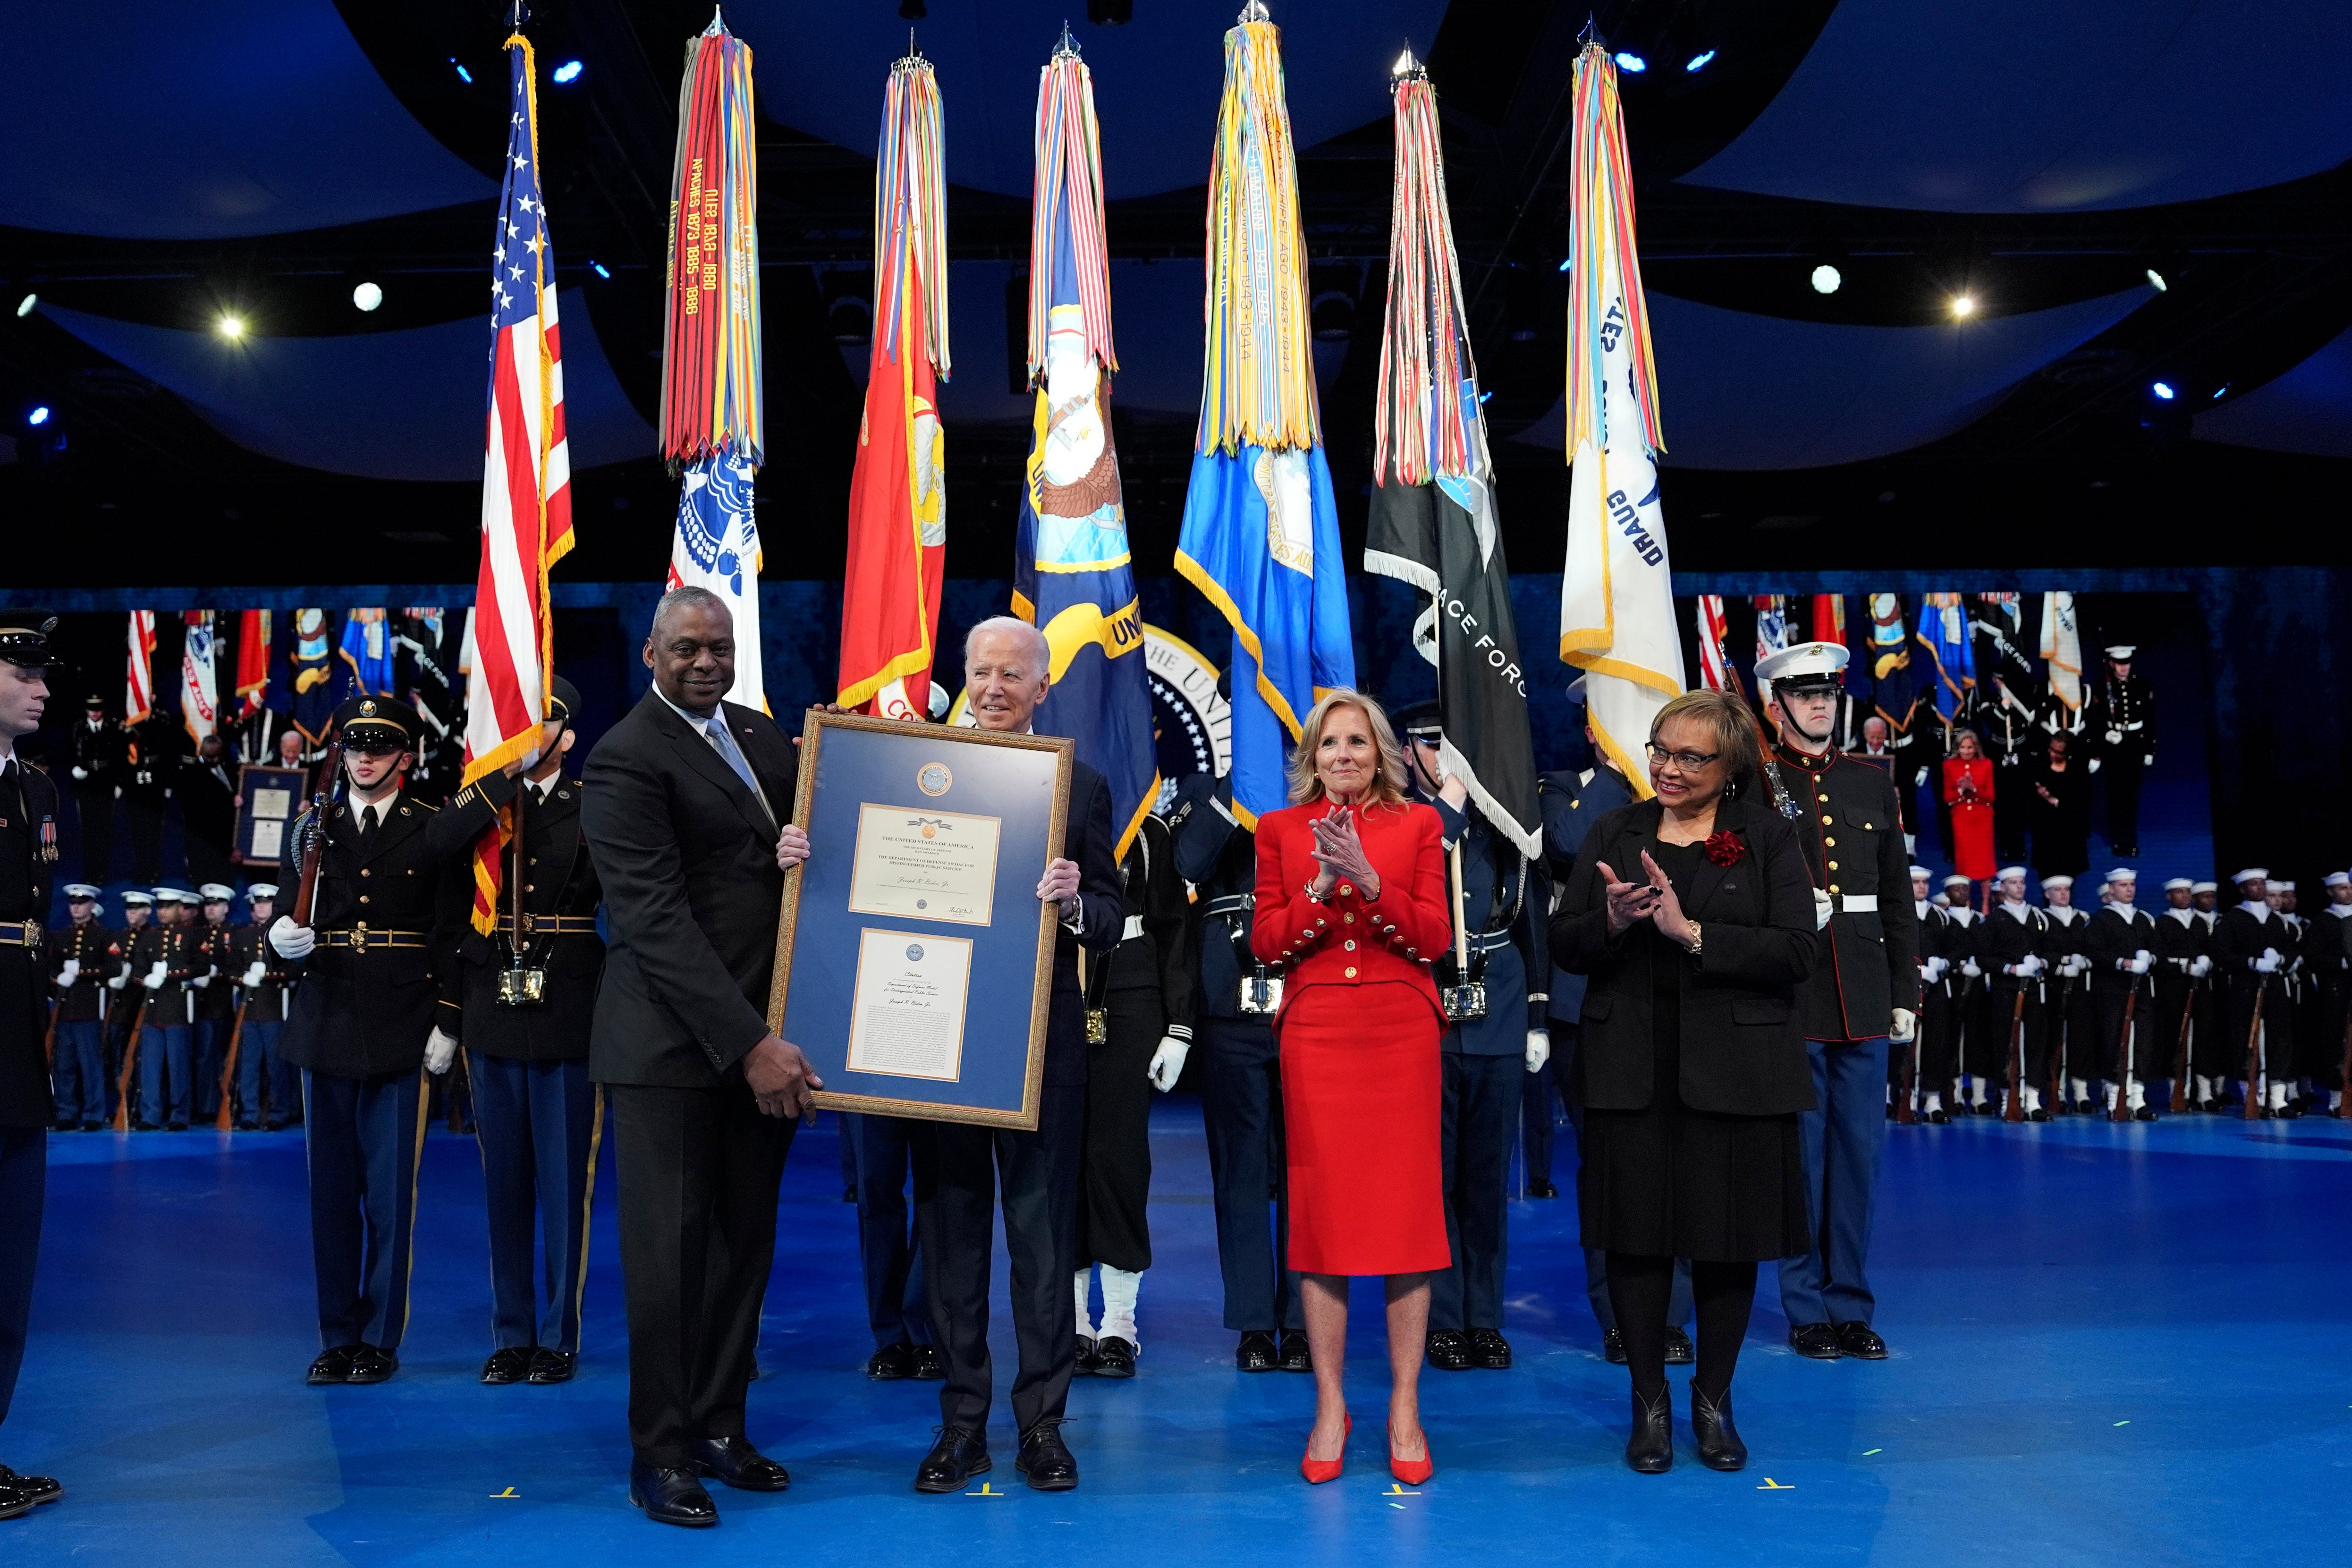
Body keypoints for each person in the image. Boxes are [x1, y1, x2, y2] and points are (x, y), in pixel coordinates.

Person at [578, 587, 818, 1526]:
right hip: (673, 1053)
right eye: (687, 649)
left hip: (758, 1046)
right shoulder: (625, 757)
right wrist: (754, 1042)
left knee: (739, 1252)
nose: (706, 663)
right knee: (669, 1261)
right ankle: (662, 1452)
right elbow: (654, 923)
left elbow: (789, 863)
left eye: (718, 648)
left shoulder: (761, 739)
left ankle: (721, 1425)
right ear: (652, 654)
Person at [1553, 688, 1818, 1474]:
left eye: (1688, 755)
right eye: (1660, 749)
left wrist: (1691, 933)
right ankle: (1648, 1404)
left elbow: (1797, 950)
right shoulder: (1614, 829)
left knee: (1724, 1244)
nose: (1666, 766)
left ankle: (1712, 1400)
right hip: (1629, 1070)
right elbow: (1565, 941)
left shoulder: (1765, 836)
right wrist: (1613, 921)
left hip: (1738, 1076)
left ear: (1729, 764)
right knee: (1635, 1241)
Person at [902, 619, 1120, 1496]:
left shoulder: (1081, 787)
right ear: (964, 678)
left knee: (1041, 1242)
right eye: (980, 672)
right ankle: (961, 1428)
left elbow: (1109, 917)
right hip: (936, 1036)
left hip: (1041, 1044)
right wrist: (809, 859)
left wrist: (1073, 903)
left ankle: (1042, 1427)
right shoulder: (916, 773)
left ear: (1041, 688)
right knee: (952, 1241)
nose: (993, 687)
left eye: (1011, 675)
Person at [1251, 689, 1451, 1486]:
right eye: (1329, 743)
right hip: (1316, 1035)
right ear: (1311, 756)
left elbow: (1434, 937)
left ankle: (1404, 1406)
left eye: (1357, 742)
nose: (1342, 755)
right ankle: (1330, 1406)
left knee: (1405, 1223)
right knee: (1324, 1225)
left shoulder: (1419, 825)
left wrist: (1370, 882)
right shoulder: (1278, 831)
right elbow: (1268, 943)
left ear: (1380, 753)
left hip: (1399, 1033)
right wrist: (1313, 891)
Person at [269, 696, 469, 1386]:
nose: (364, 757)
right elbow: (282, 912)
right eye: (355, 746)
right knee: (330, 1194)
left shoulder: (430, 828)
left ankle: (379, 1338)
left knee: (388, 1195)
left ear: (405, 757)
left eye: (380, 747)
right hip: (324, 1017)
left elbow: (452, 931)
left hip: (400, 1022)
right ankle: (337, 1333)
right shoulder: (311, 827)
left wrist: (450, 1018)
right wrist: (277, 942)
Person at [425, 676, 606, 1387]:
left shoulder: (592, 804)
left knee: (564, 1182)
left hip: (568, 1003)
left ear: (566, 736)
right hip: (492, 1006)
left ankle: (557, 1334)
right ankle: (512, 1331)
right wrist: (499, 780)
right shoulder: (487, 803)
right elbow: (439, 845)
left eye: (542, 731)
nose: (530, 743)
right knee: (503, 1180)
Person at [1752, 644, 1917, 1363]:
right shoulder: (1755, 787)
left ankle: (1849, 1302)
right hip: (1795, 996)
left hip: (1864, 995)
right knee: (1801, 1162)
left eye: (1827, 692)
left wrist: (1903, 994)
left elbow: (1896, 899)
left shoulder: (1868, 784)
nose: (1819, 704)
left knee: (1857, 1163)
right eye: (1803, 693)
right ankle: (1805, 1307)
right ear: (1775, 705)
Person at [1393, 700, 1548, 1376]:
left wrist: (1537, 1014)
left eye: (1452, 746)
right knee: (1432, 1176)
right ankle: (1443, 1317)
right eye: (1430, 745)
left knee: (1486, 1177)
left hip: (1499, 1003)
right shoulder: (1403, 821)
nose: (1443, 758)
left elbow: (1532, 918)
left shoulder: (1502, 820)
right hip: (1426, 1006)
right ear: (1407, 753)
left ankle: (1483, 1316)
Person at [1539, 713, 1693, 1365]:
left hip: (1685, 1002)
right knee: (1611, 1168)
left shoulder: (1696, 798)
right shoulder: (1561, 788)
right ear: (1593, 722)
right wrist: (1615, 772)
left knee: (1685, 1164)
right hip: (1593, 1006)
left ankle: (1674, 1314)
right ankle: (1618, 1312)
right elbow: (1571, 843)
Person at [1169, 769, 1310, 1373]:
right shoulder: (1208, 789)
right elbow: (1188, 863)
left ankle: (1305, 1322)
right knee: (1240, 1172)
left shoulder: (1323, 784)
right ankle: (1255, 1323)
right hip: (1231, 999)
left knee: (1310, 1173)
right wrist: (1240, 790)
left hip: (1311, 994)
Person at [1073, 802, 1194, 1379]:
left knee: (1119, 1159)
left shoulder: (1148, 831)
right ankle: (1071, 1320)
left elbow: (1173, 926)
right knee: (1061, 1160)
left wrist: (1178, 1027)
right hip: (1055, 992)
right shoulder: (1040, 807)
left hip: (1131, 994)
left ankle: (1119, 1322)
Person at [0, 613, 64, 1520]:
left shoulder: (40, 789)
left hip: (18, 1035)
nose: (45, 688)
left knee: (13, 1256)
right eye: (25, 672)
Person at [2213, 869, 2297, 1117]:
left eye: (2262, 883)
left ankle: (2278, 1099)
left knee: (2280, 1039)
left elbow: (2292, 948)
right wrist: (2251, 962)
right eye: (2253, 884)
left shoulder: (2276, 919)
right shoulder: (2232, 919)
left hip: (2276, 988)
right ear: (2243, 890)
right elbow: (2221, 954)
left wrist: (2281, 959)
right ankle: (2254, 1095)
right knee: (2247, 1041)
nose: (2259, 888)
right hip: (2245, 988)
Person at [127, 890, 208, 1131]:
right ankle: (150, 1114)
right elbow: (137, 970)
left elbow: (203, 966)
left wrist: (171, 972)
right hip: (153, 1012)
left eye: (168, 906)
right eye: (160, 907)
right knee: (150, 1068)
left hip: (178, 1009)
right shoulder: (149, 938)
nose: (163, 911)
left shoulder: (193, 935)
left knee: (178, 1066)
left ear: (180, 909)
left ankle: (179, 1115)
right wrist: (146, 979)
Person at [2083, 869, 2159, 1118]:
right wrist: (2123, 963)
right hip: (2111, 990)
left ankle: (2137, 1098)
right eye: (2123, 885)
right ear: (2111, 890)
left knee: (2143, 1042)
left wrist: (2151, 958)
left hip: (2141, 990)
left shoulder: (2142, 919)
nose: (2129, 889)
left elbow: (2156, 949)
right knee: (2114, 1041)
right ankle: (2116, 1098)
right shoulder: (2101, 920)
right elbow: (2094, 952)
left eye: (2132, 885)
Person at [1981, 867, 2055, 1119]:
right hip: (2006, 990)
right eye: (2013, 883)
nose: (2019, 887)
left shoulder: (2038, 917)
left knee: (2036, 1042)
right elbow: (1983, 957)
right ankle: (2007, 1096)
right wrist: (2010, 969)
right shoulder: (1994, 920)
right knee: (2006, 1042)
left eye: (2022, 883)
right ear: (2003, 887)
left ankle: (2033, 1099)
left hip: (2035, 989)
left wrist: (2043, 962)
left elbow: (2053, 950)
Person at [46, 886, 114, 1133]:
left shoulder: (103, 936)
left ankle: (93, 1114)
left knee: (90, 1066)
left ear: (92, 906)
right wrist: (57, 979)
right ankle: (66, 1113)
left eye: (82, 903)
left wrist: (82, 974)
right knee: (64, 1066)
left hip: (88, 1009)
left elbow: (114, 968)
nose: (76, 907)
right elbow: (51, 969)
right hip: (64, 1010)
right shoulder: (61, 937)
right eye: (73, 903)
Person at [230, 883, 297, 1131]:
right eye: (258, 902)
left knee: (276, 1066)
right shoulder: (243, 935)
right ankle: (249, 1113)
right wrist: (243, 977)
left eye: (267, 902)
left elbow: (296, 968)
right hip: (249, 1010)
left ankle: (279, 1112)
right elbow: (230, 966)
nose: (261, 906)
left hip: (274, 1009)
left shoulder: (284, 933)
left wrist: (270, 973)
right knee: (248, 1066)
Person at [2087, 646, 2154, 858]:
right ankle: (2119, 839)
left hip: (2135, 744)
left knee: (2131, 795)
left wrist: (2149, 748)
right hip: (2114, 747)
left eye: (2127, 664)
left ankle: (2130, 838)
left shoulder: (2142, 685)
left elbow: (2150, 718)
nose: (2124, 668)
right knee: (2115, 795)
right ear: (2112, 664)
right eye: (2120, 664)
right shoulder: (2102, 686)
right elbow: (2095, 718)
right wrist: (2105, 736)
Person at [2039, 875, 2096, 1111]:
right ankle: (2056, 1091)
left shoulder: (2083, 919)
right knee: (2053, 1039)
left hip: (2080, 988)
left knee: (2081, 1039)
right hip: (2053, 987)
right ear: (2048, 894)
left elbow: (2095, 948)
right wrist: (2060, 964)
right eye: (2058, 890)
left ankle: (2081, 1093)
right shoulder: (2042, 919)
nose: (2063, 894)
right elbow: (2038, 951)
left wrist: (2084, 961)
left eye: (2066, 890)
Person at [1909, 867, 1960, 1122]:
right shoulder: (1898, 913)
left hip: (1937, 988)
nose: (1922, 887)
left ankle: (1932, 1100)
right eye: (1916, 882)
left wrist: (1942, 964)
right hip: (1907, 986)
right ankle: (1899, 1095)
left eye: (1925, 883)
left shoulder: (1940, 916)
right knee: (1903, 1042)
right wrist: (1915, 969)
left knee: (1936, 1042)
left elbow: (1957, 948)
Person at [103, 890, 154, 1124]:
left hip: (141, 1007)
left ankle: (137, 1108)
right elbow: (110, 962)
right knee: (116, 1060)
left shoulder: (151, 937)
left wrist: (133, 976)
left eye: (137, 909)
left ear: (147, 911)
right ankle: (117, 1107)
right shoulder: (120, 937)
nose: (132, 913)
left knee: (140, 1061)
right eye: (129, 908)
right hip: (119, 1010)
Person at [191, 883, 238, 1124]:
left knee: (220, 1057)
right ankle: (204, 1107)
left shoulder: (233, 933)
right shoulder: (198, 933)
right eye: (208, 905)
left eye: (216, 905)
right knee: (202, 1059)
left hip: (222, 1006)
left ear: (226, 907)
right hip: (200, 1006)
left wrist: (217, 974)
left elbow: (237, 966)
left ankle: (219, 1106)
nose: (211, 909)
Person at [68, 695, 126, 884]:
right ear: (86, 710)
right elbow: (67, 751)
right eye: (92, 710)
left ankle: (103, 872)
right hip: (86, 783)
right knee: (88, 831)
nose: (95, 713)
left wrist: (119, 782)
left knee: (105, 830)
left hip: (106, 781)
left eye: (98, 709)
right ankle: (91, 872)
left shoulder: (111, 727)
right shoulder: (78, 727)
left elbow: (119, 755)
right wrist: (73, 769)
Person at [123, 705, 180, 886]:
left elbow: (170, 753)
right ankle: (141, 870)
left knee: (155, 832)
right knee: (138, 833)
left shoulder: (162, 721)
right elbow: (120, 750)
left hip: (156, 783)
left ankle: (154, 871)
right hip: (134, 784)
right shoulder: (131, 718)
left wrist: (169, 784)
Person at [2027, 735, 2091, 882]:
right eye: (2051, 749)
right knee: (2046, 878)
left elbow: (2082, 803)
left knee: (2068, 879)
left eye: (2058, 752)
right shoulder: (2040, 766)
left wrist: (2053, 800)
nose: (2052, 754)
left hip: (2070, 835)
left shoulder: (2078, 772)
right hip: (2045, 834)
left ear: (2068, 754)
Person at [180, 736, 239, 891]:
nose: (215, 760)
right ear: (200, 752)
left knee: (226, 889)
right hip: (206, 846)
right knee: (208, 890)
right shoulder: (191, 776)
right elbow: (202, 818)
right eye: (210, 756)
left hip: (226, 842)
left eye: (218, 755)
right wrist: (228, 850)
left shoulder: (228, 768)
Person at [1941, 729, 1995, 889]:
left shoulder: (1986, 764)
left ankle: (1986, 904)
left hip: (1983, 818)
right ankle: (1966, 902)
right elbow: (1947, 798)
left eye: (1970, 748)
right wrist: (1962, 791)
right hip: (1961, 818)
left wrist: (1973, 789)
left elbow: (1991, 797)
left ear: (1976, 748)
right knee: (1965, 862)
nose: (1966, 751)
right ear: (1957, 748)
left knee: (1985, 862)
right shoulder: (1949, 765)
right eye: (1963, 748)